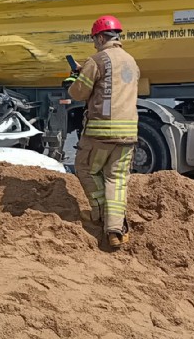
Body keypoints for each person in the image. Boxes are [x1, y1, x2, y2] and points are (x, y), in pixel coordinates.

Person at [64, 15, 140, 248]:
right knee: (116, 178)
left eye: (94, 39)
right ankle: (114, 229)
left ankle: (98, 214)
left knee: (86, 168)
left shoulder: (97, 60)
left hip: (101, 133)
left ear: (99, 37)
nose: (94, 44)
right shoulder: (131, 62)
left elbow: (78, 94)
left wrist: (77, 76)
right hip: (128, 134)